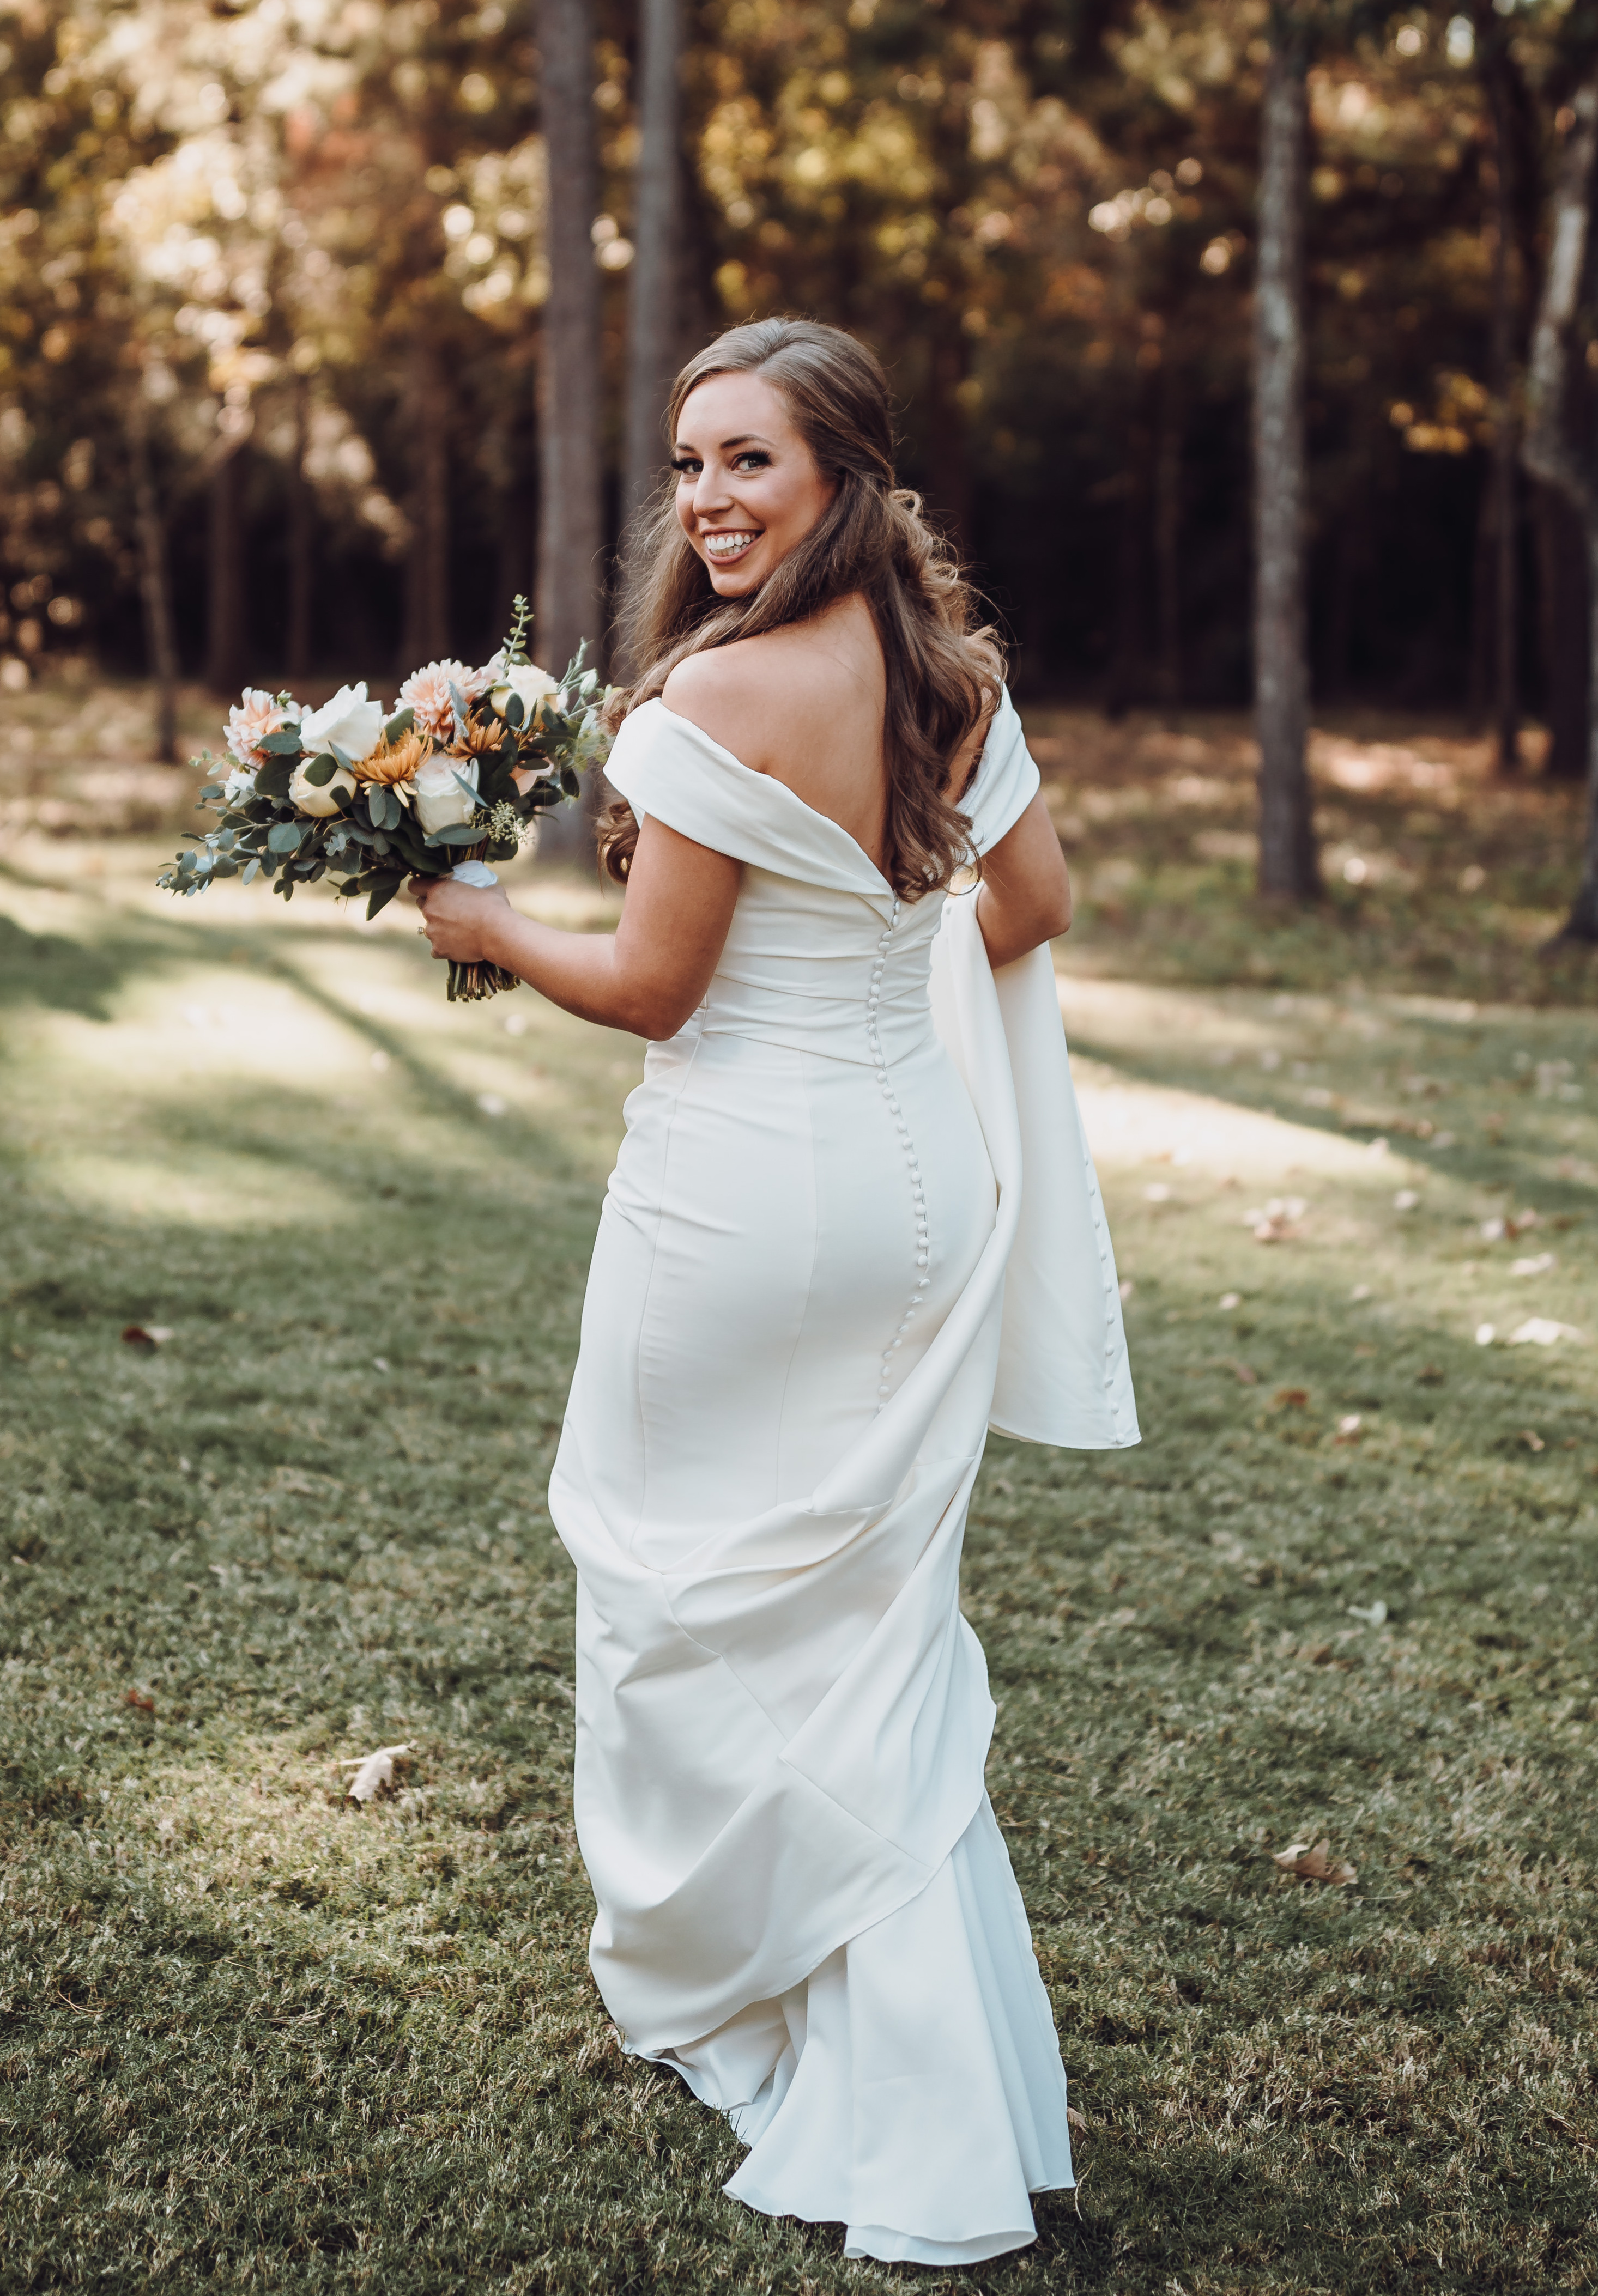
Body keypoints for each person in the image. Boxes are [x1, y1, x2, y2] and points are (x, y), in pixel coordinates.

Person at [413, 317, 1138, 2267]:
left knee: (673, 1595)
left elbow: (653, 991)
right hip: (915, 1199)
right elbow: (1034, 910)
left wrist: (481, 921)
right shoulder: (943, 675)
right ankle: (935, 2075)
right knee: (871, 1641)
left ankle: (754, 1999)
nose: (711, 499)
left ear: (844, 476)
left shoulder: (711, 704)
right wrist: (881, 942)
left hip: (736, 1203)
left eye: (751, 461)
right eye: (690, 464)